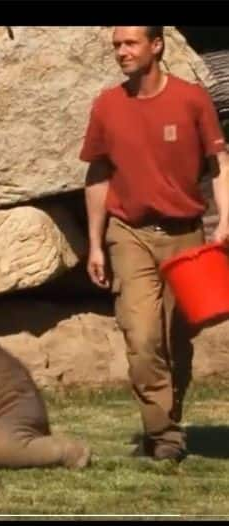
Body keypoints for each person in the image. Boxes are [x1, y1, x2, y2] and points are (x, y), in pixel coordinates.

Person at [81, 26, 229, 462]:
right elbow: (97, 176)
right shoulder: (107, 105)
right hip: (129, 233)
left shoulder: (191, 99)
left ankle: (168, 420)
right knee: (142, 336)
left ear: (156, 46)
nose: (121, 53)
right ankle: (163, 432)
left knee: (176, 338)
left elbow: (218, 163)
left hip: (186, 235)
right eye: (116, 46)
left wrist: (225, 219)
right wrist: (94, 243)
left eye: (130, 44)